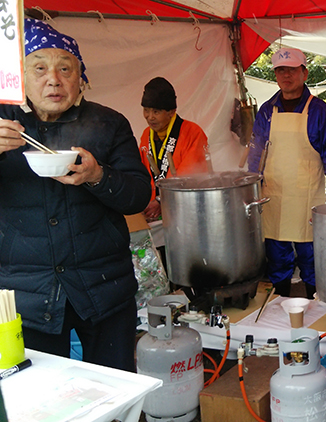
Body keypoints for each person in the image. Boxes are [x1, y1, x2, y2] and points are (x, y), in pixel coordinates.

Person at [0, 19, 152, 371]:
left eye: (65, 68)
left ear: (80, 78)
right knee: (44, 402)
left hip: (105, 291)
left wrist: (97, 176)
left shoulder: (108, 123)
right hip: (27, 299)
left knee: (115, 389)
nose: (53, 79)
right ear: (21, 76)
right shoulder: (4, 124)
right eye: (39, 68)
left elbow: (138, 196)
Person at [247, 47, 326, 299]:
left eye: (291, 70)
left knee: (312, 257)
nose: (286, 76)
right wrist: (250, 186)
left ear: (304, 73)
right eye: (280, 71)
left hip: (307, 197)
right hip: (273, 196)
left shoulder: (320, 111)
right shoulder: (267, 111)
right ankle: (279, 302)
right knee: (277, 256)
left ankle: (317, 301)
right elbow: (255, 153)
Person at [139, 77, 210, 221]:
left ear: (172, 112)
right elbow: (141, 172)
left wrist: (161, 200)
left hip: (186, 212)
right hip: (154, 213)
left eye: (156, 112)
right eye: (146, 110)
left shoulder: (193, 132)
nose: (150, 117)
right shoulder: (146, 135)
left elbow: (191, 177)